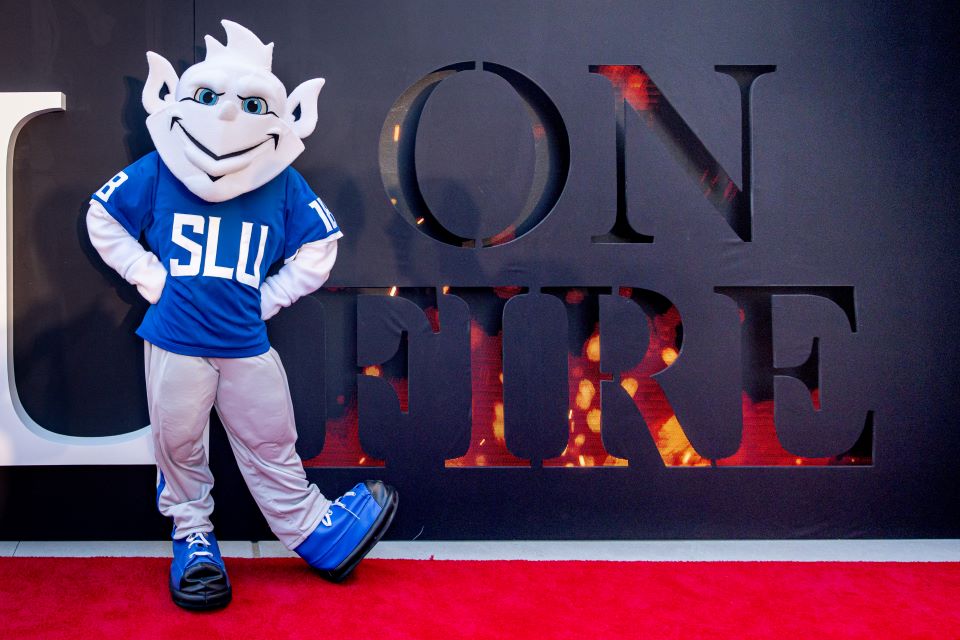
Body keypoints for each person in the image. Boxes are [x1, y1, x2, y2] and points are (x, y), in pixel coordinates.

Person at [86, 19, 397, 610]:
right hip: (175, 338)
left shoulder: (281, 181)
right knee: (179, 443)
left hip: (245, 340)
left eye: (251, 104)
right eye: (208, 97)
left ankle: (315, 534)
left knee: (271, 438)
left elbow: (321, 244)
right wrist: (148, 274)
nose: (227, 115)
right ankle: (193, 540)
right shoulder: (161, 168)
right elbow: (103, 215)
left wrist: (270, 296)